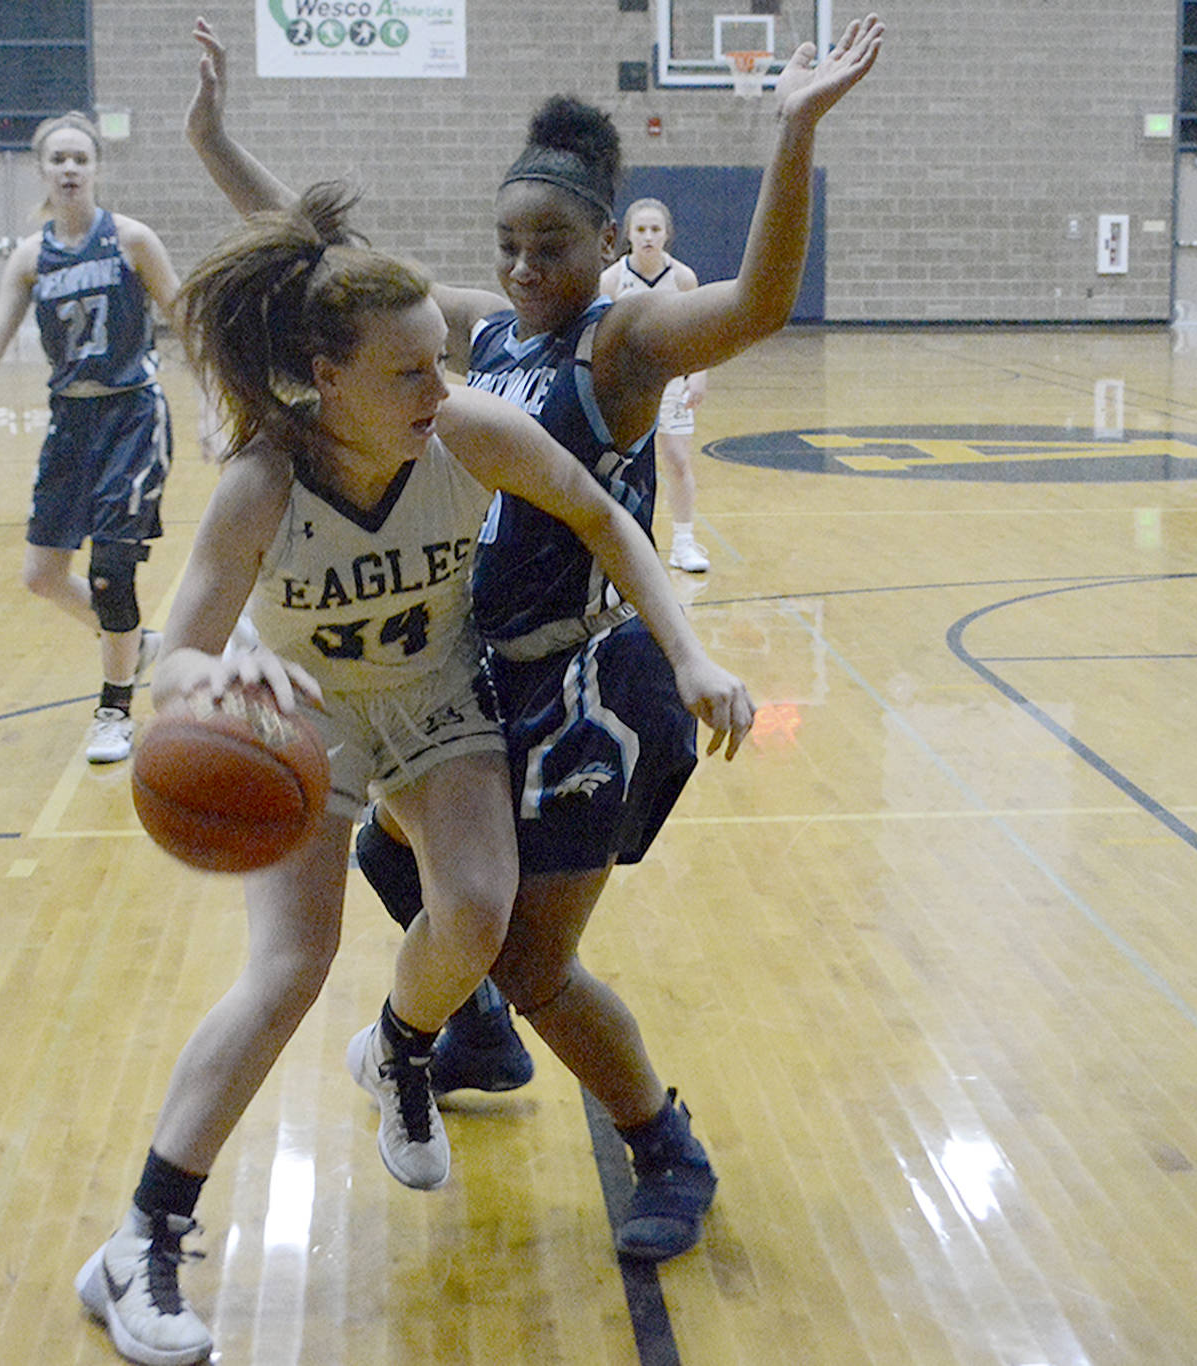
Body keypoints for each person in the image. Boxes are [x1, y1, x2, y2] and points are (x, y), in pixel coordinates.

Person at [185, 12, 883, 1262]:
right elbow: (329, 263)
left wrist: (794, 133)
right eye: (505, 246)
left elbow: (764, 299)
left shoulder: (623, 340)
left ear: (606, 244)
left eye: (549, 246)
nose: (521, 268)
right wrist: (218, 148)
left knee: (536, 959)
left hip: (587, 684)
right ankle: (476, 1032)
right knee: (404, 871)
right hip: (466, 682)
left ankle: (661, 1140)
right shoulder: (483, 334)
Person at [74, 183, 754, 1366]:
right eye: (410, 376)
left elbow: (602, 514)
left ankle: (400, 1047)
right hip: (308, 718)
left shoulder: (468, 431)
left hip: (440, 697)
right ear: (325, 379)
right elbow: (174, 655)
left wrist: (690, 649)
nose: (439, 392)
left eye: (442, 365)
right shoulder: (261, 487)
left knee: (480, 916)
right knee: (288, 967)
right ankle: (143, 1237)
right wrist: (218, 687)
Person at [0, 112, 178, 763]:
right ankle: (142, 646)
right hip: (69, 425)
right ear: (43, 170)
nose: (71, 168)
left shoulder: (132, 240)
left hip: (132, 417)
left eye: (81, 158)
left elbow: (188, 318)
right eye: (59, 159)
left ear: (96, 167)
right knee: (42, 576)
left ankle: (113, 708)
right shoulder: (30, 258)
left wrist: (219, 411)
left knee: (111, 571)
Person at [600, 198, 710, 571]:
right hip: (628, 388)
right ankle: (625, 547)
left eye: (655, 229)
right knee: (624, 467)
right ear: (627, 234)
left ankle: (683, 543)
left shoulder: (682, 277)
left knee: (678, 461)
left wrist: (698, 374)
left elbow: (699, 333)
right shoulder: (613, 279)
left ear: (667, 235)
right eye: (641, 230)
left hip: (671, 383)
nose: (648, 236)